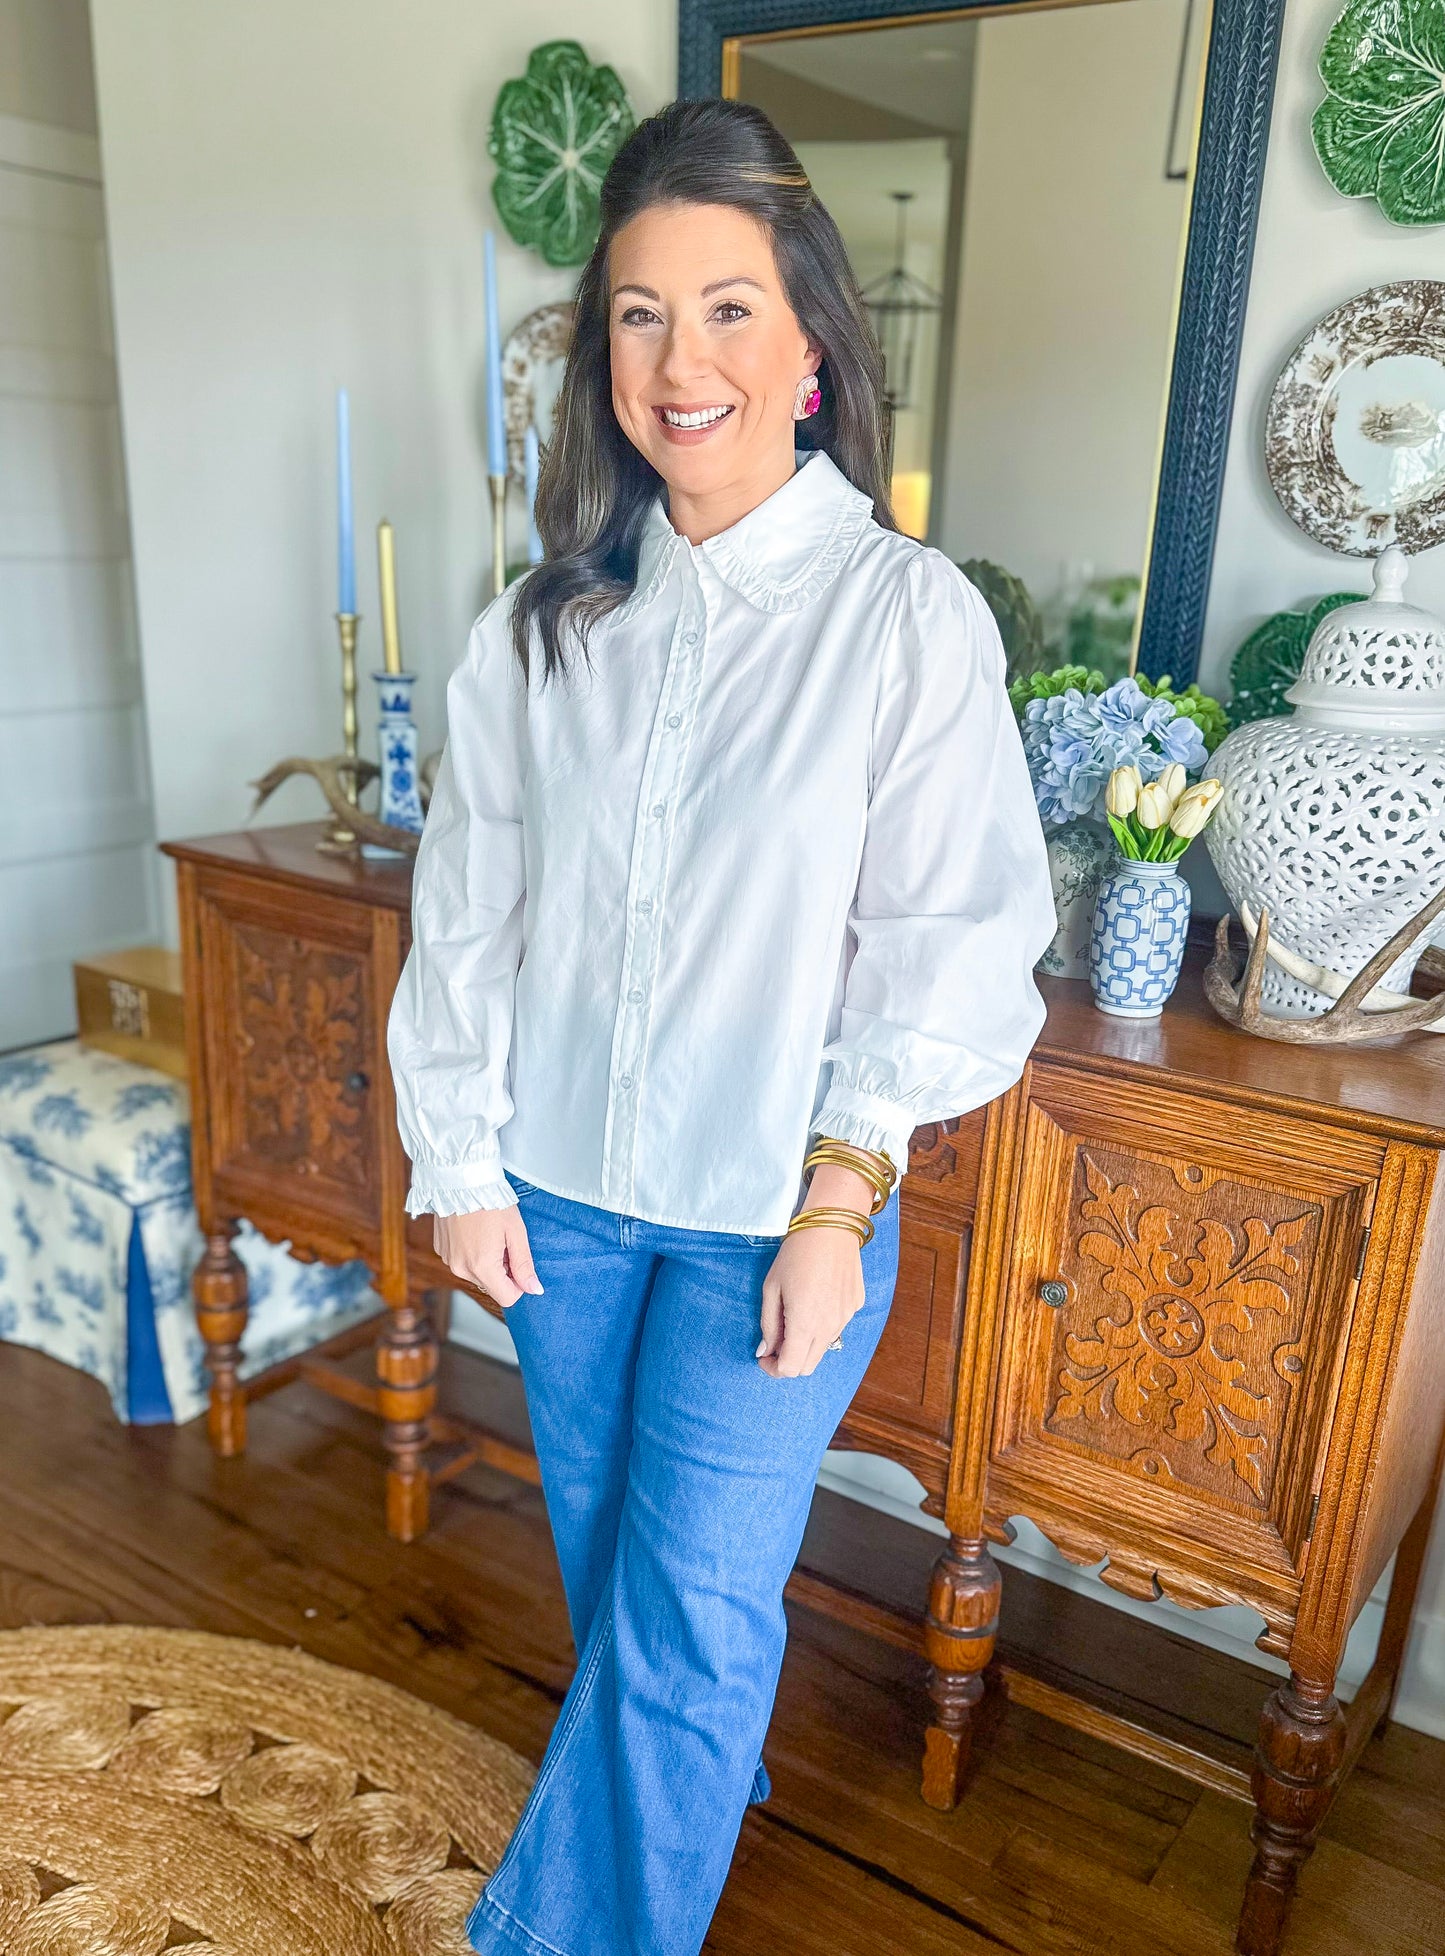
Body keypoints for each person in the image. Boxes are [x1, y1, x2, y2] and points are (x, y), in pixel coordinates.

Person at [386, 95, 1055, 1956]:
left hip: (780, 1210)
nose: (683, 362)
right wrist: (456, 1158)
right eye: (637, 315)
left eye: (730, 308)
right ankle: (692, 1783)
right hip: (561, 1205)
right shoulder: (538, 629)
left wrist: (839, 1208)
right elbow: (471, 912)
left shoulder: (904, 620)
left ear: (814, 347)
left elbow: (953, 940)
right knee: (626, 1588)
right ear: (601, 353)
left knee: (691, 1606)